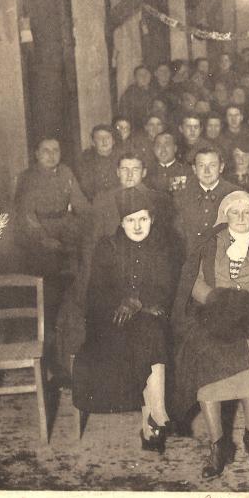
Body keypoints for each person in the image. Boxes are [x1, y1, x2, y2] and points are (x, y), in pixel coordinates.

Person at [172, 191, 249, 477]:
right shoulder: (210, 243)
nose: (241, 217)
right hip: (214, 315)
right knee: (204, 352)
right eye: (235, 212)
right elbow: (193, 281)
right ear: (225, 215)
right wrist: (215, 300)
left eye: (247, 212)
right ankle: (218, 444)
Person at [72, 189, 176, 452]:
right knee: (150, 333)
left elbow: (166, 286)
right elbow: (96, 292)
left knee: (151, 330)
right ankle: (156, 415)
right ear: (121, 222)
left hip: (149, 318)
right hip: (111, 323)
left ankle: (152, 420)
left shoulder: (163, 246)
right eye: (131, 220)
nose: (138, 226)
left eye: (143, 219)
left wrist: (138, 300)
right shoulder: (107, 247)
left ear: (152, 219)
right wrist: (123, 301)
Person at [14, 138, 90, 276]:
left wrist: (92, 221)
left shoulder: (66, 172)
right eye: (46, 151)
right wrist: (43, 238)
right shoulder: (27, 178)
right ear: (37, 154)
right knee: (48, 268)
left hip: (65, 225)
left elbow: (80, 203)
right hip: (39, 230)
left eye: (56, 150)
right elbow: (27, 215)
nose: (52, 155)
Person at [172, 145, 239, 257]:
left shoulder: (235, 194)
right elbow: (177, 237)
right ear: (194, 169)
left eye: (212, 165)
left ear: (221, 167)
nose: (207, 171)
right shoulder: (182, 196)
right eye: (201, 165)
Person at [77, 124, 120, 201]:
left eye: (107, 137)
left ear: (113, 141)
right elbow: (86, 188)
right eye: (99, 138)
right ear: (93, 142)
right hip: (95, 203)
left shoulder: (121, 158)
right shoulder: (86, 160)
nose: (104, 141)